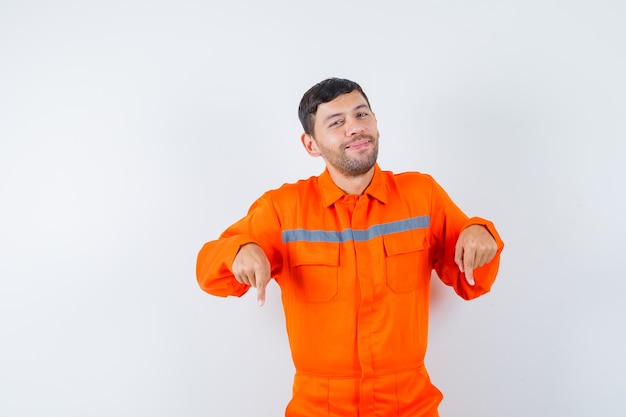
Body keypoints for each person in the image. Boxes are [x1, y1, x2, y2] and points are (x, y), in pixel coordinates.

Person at [196, 78, 504, 417]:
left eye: (362, 115)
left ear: (376, 124)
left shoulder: (422, 196)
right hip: (319, 407)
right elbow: (210, 271)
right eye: (336, 122)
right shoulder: (283, 209)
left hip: (409, 405)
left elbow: (471, 280)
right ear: (310, 144)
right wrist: (239, 250)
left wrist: (481, 232)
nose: (354, 128)